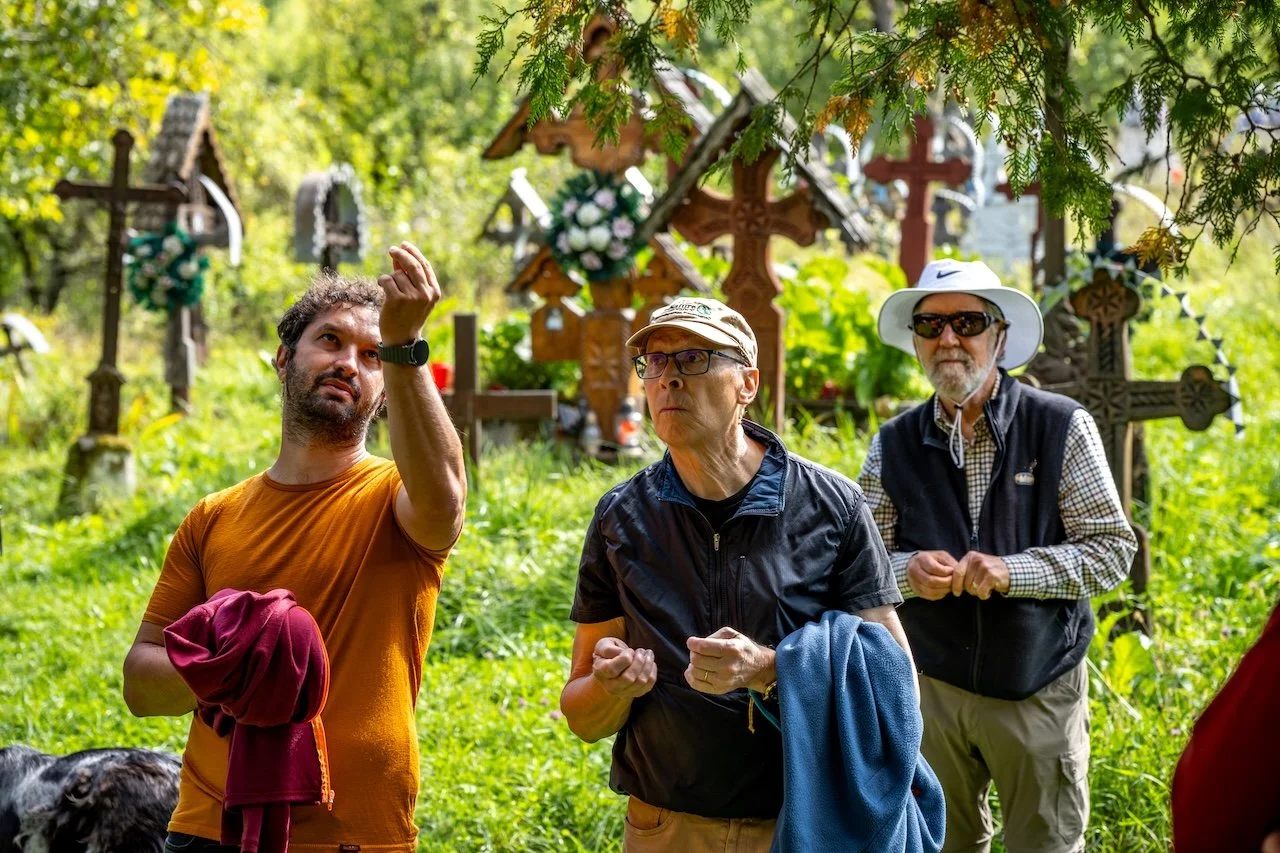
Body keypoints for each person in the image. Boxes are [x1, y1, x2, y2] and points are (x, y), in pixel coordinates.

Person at [122, 242, 466, 853]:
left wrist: (406, 347)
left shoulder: (397, 499)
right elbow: (141, 684)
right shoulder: (213, 517)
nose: (348, 363)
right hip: (210, 828)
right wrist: (233, 666)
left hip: (353, 833)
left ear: (385, 388)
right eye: (329, 341)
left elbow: (445, 502)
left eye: (370, 355)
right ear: (284, 359)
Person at [562, 296, 912, 853]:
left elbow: (895, 683)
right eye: (654, 362)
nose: (668, 379)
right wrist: (611, 688)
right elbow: (582, 716)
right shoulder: (621, 517)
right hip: (664, 828)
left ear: (747, 383)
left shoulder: (831, 505)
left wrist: (772, 670)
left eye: (693, 359)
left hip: (803, 824)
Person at [858, 259, 1139, 853]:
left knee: (1045, 844)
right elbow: (862, 560)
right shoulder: (893, 442)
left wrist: (1016, 571)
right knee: (940, 844)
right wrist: (906, 572)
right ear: (916, 341)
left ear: (1000, 335)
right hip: (931, 685)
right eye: (930, 325)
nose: (948, 339)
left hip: (1037, 681)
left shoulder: (1060, 426)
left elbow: (1113, 550)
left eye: (967, 321)